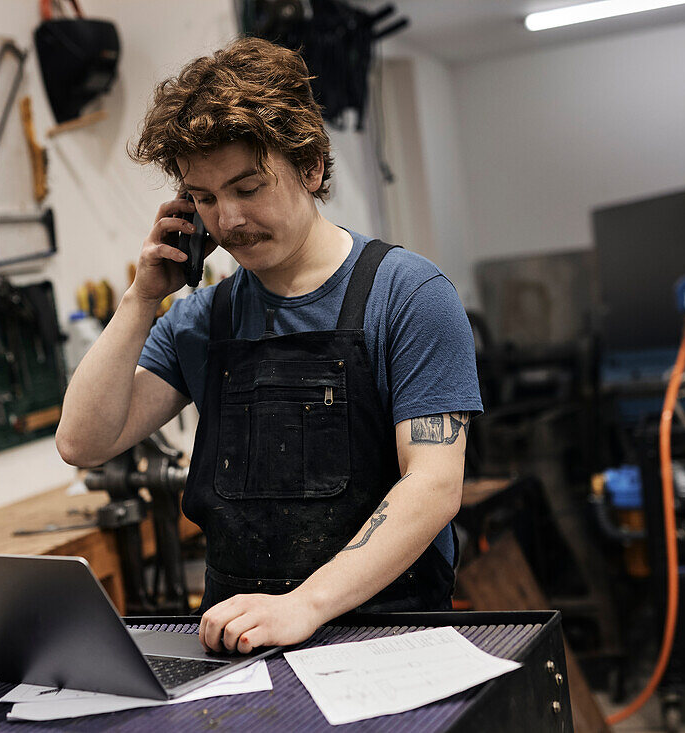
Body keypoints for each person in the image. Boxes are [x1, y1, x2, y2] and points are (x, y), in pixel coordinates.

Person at [56, 37, 481, 654]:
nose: (226, 220)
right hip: (241, 642)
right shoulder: (202, 319)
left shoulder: (409, 295)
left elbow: (435, 486)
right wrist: (141, 298)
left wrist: (304, 606)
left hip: (389, 639)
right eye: (203, 198)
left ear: (309, 166)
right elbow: (82, 442)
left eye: (247, 188)